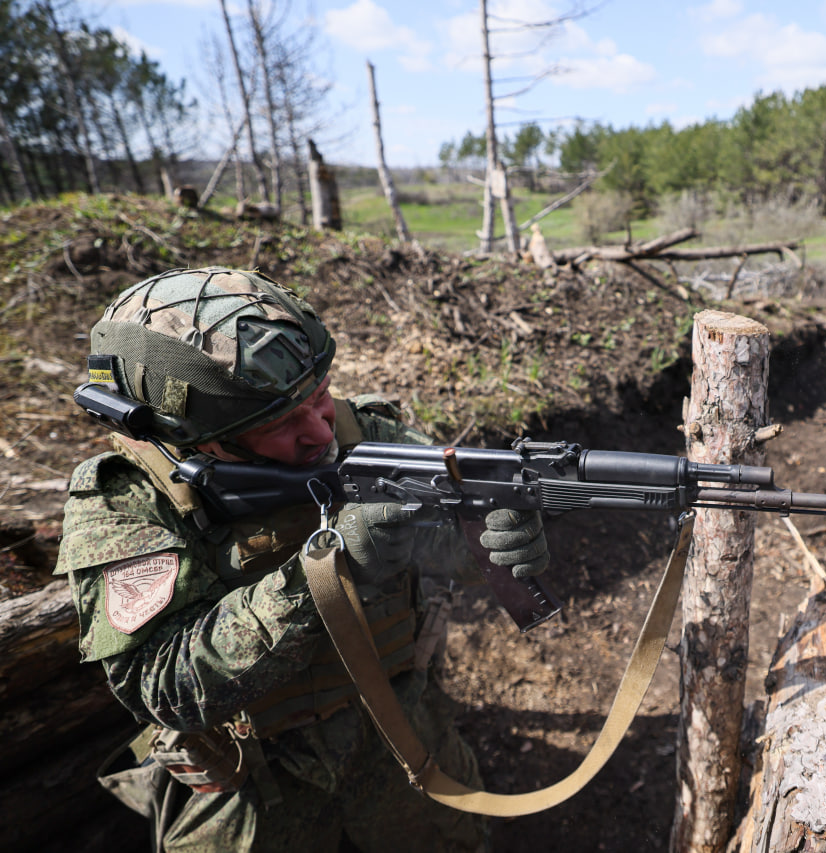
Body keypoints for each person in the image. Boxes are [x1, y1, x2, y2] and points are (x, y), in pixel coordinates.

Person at [55, 267, 550, 852]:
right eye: (280, 425)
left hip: (401, 734)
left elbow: (449, 547)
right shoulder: (125, 499)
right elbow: (159, 685)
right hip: (249, 780)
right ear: (199, 441)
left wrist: (489, 542)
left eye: (320, 397)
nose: (319, 431)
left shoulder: (361, 431)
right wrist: (327, 572)